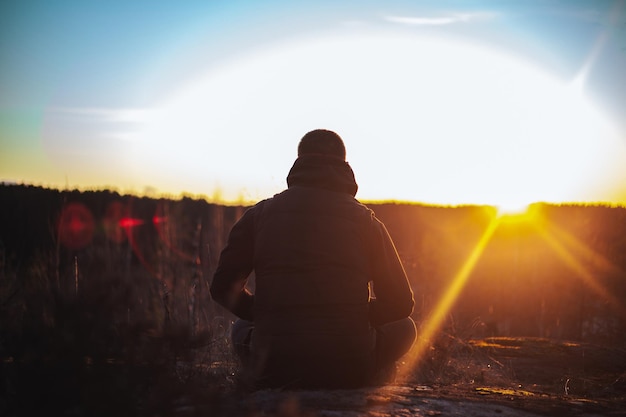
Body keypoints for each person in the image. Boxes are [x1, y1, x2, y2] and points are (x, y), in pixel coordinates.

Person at [210, 129, 416, 390]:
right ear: (344, 164)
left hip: (273, 365)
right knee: (406, 328)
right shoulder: (366, 221)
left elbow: (221, 288)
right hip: (349, 367)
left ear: (299, 160)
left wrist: (266, 313)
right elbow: (401, 303)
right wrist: (353, 315)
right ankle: (373, 377)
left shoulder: (260, 214)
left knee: (240, 327)